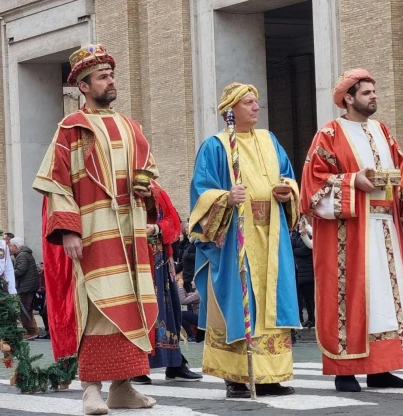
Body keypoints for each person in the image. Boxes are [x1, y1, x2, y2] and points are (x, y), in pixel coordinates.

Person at [33, 44, 157, 414]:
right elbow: (57, 184)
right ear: (83, 86)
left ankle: (123, 388)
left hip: (131, 234)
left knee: (131, 306)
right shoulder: (72, 127)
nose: (111, 81)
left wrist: (147, 189)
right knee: (97, 306)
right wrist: (69, 230)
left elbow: (148, 170)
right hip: (94, 232)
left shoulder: (131, 126)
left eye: (111, 75)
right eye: (102, 77)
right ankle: (90, 389)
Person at [300, 69, 403, 393]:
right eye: (367, 92)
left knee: (385, 299)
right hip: (349, 231)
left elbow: (402, 172)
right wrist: (353, 180)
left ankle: (381, 368)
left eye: (374, 91)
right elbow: (312, 183)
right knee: (350, 297)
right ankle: (345, 371)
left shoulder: (383, 131)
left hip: (386, 229)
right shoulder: (329, 134)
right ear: (348, 98)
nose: (374, 97)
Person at [189, 82, 301, 398]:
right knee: (241, 302)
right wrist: (225, 198)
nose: (256, 107)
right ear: (231, 110)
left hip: (271, 236)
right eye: (248, 102)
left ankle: (270, 375)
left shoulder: (269, 140)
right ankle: (236, 377)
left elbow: (288, 175)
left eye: (256, 102)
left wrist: (287, 191)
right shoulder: (215, 146)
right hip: (236, 237)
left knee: (271, 301)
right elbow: (200, 190)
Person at [130, 183, 201, 384]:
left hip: (160, 263)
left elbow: (174, 222)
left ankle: (175, 362)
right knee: (138, 312)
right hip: (132, 261)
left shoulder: (157, 191)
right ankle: (136, 365)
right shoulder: (117, 186)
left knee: (169, 312)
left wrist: (156, 228)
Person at [9, 237, 40, 341]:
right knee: (27, 310)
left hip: (26, 287)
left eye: (11, 246)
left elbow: (21, 270)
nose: (10, 248)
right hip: (27, 286)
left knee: (23, 310)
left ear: (15, 246)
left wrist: (9, 275)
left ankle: (31, 332)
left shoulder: (22, 255)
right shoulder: (23, 254)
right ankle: (33, 331)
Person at [292, 216, 315, 328]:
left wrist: (295, 251)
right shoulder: (298, 234)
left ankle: (314, 318)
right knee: (305, 296)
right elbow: (292, 245)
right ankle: (310, 318)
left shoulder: (310, 233)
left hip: (309, 270)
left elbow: (307, 249)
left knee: (311, 297)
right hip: (301, 270)